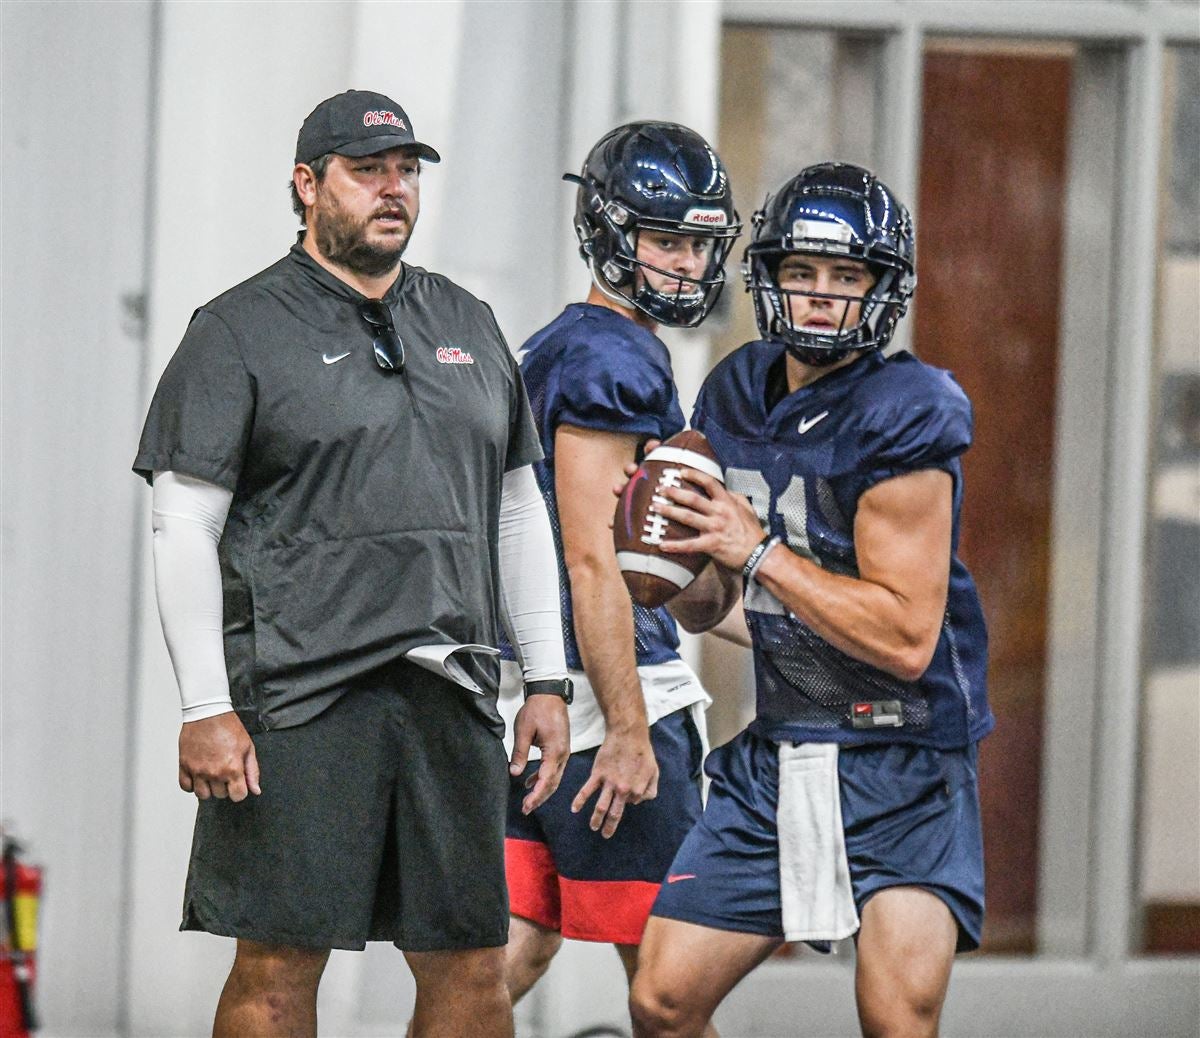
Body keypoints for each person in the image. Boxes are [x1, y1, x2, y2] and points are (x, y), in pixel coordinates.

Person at [132, 89, 572, 1038]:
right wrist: (206, 705)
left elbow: (516, 508)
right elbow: (182, 526)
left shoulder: (468, 320)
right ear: (307, 184)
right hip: (297, 697)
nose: (394, 190)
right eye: (367, 170)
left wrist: (547, 677)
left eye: (407, 171)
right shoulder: (236, 329)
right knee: (279, 965)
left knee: (472, 965)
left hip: (451, 691)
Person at [625, 163, 993, 1038]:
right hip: (784, 745)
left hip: (903, 756)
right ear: (770, 276)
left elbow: (905, 638)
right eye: (802, 272)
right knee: (661, 1001)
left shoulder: (908, 409)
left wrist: (754, 546)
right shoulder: (735, 391)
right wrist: (670, 560)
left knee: (896, 1018)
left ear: (881, 290)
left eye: (846, 277)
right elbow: (719, 608)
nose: (821, 296)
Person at [495, 122, 740, 1020]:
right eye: (663, 238)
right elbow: (592, 559)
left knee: (510, 955)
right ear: (609, 233)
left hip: (537, 693)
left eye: (696, 243)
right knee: (672, 990)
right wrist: (633, 730)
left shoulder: (563, 343)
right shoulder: (611, 354)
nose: (682, 263)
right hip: (608, 701)